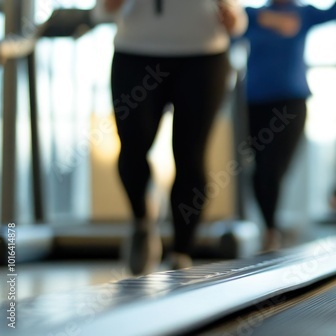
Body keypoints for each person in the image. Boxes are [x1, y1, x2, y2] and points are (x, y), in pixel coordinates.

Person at [93, 0, 247, 275]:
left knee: (191, 156)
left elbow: (238, 19)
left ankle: (181, 253)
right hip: (136, 53)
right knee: (132, 149)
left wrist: (233, 18)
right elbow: (101, 11)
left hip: (203, 56)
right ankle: (142, 221)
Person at [240, 0, 336, 252]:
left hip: (291, 104)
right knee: (261, 168)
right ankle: (269, 229)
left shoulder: (304, 12)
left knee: (275, 167)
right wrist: (270, 20)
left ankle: (271, 229)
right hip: (255, 104)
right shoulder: (252, 15)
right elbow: (231, 32)